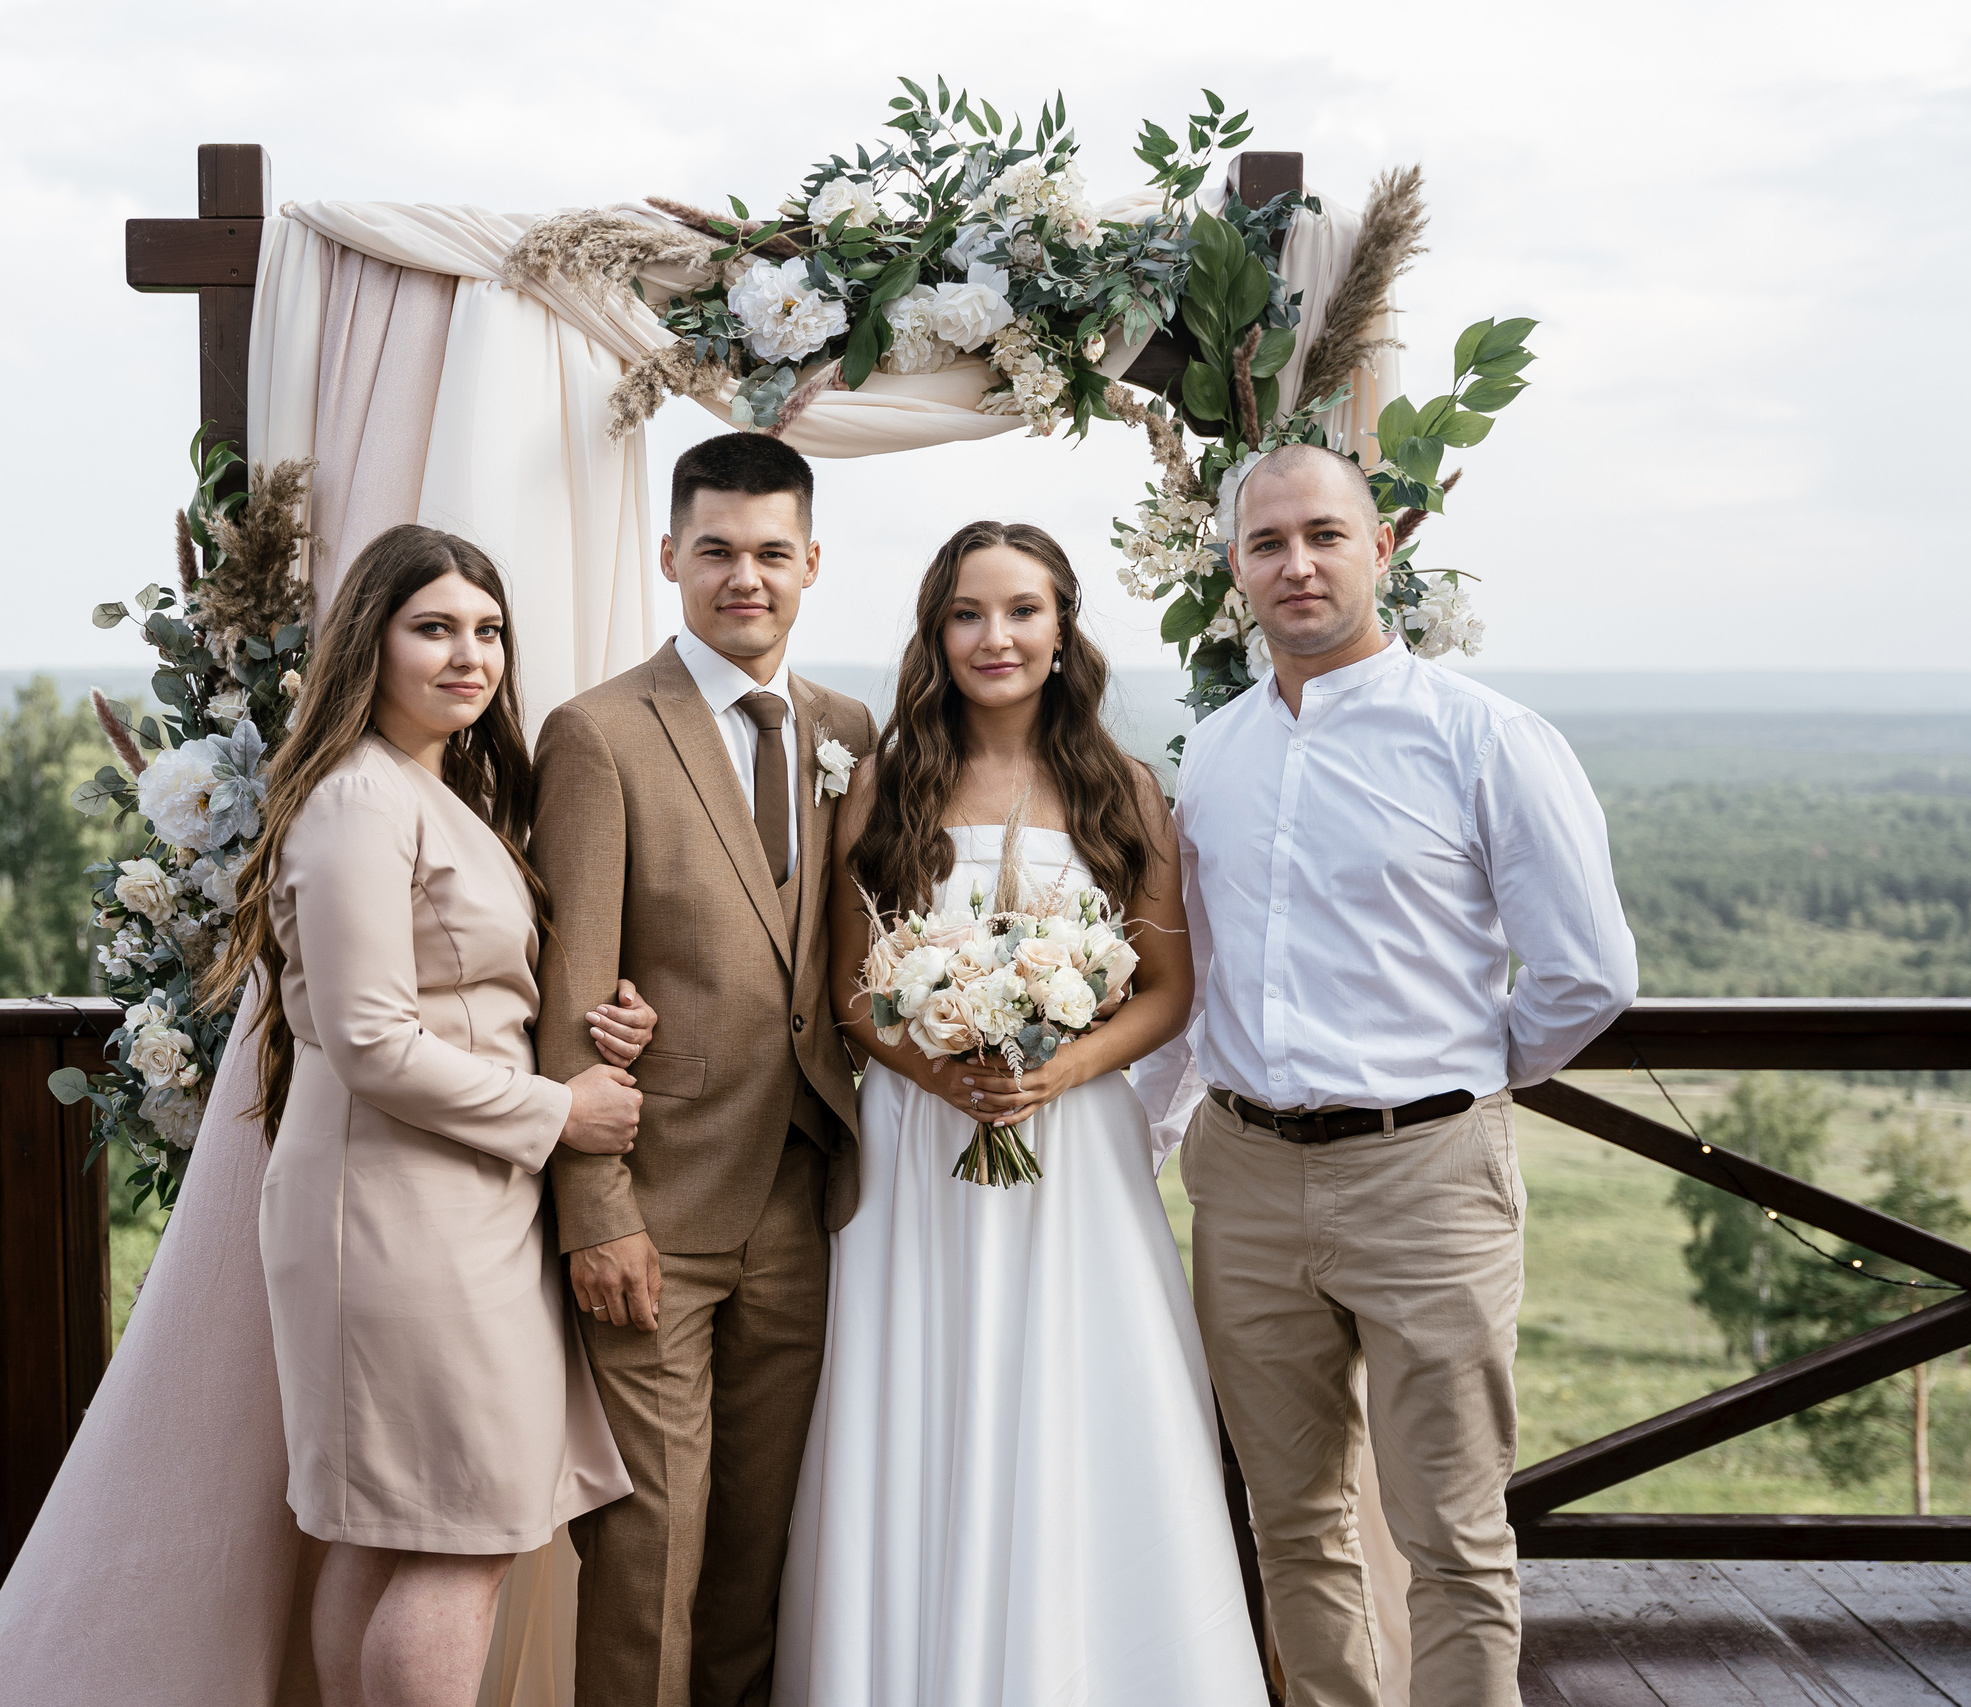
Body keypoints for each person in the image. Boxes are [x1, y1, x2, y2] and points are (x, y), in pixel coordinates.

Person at [1156, 443, 1637, 1707]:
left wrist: (1456, 1084)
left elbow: (1587, 971)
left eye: (1324, 534)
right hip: (1245, 1180)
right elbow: (1194, 978)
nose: (1296, 563)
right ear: (1233, 570)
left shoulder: (1485, 738)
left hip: (1428, 1176)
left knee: (1453, 1534)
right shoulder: (1213, 754)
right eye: (1266, 544)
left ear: (1383, 548)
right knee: (1290, 1521)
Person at [773, 520, 1271, 1706]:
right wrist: (940, 1065)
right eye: (966, 614)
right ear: (935, 634)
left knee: (1083, 1404)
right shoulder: (888, 783)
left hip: (1076, 1143)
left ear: (1063, 629)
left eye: (1021, 611)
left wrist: (1062, 1067)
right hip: (917, 1148)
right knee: (918, 1410)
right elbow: (849, 990)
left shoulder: (1124, 787)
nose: (994, 637)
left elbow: (1169, 989)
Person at [203, 523, 653, 1707]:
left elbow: (463, 1001)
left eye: (488, 630)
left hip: (443, 1206)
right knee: (465, 1535)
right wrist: (560, 1110)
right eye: (435, 628)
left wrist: (595, 1031)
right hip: (399, 1213)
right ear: (372, 641)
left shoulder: (427, 787)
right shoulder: (359, 799)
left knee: (392, 1529)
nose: (470, 656)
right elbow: (366, 1040)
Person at [530, 433, 877, 1707]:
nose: (746, 577)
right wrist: (597, 1211)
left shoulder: (847, 729)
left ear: (811, 564)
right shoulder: (598, 734)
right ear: (671, 556)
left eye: (771, 553)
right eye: (718, 551)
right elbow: (574, 996)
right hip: (655, 1209)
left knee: (757, 1541)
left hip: (805, 1197)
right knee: (647, 1543)